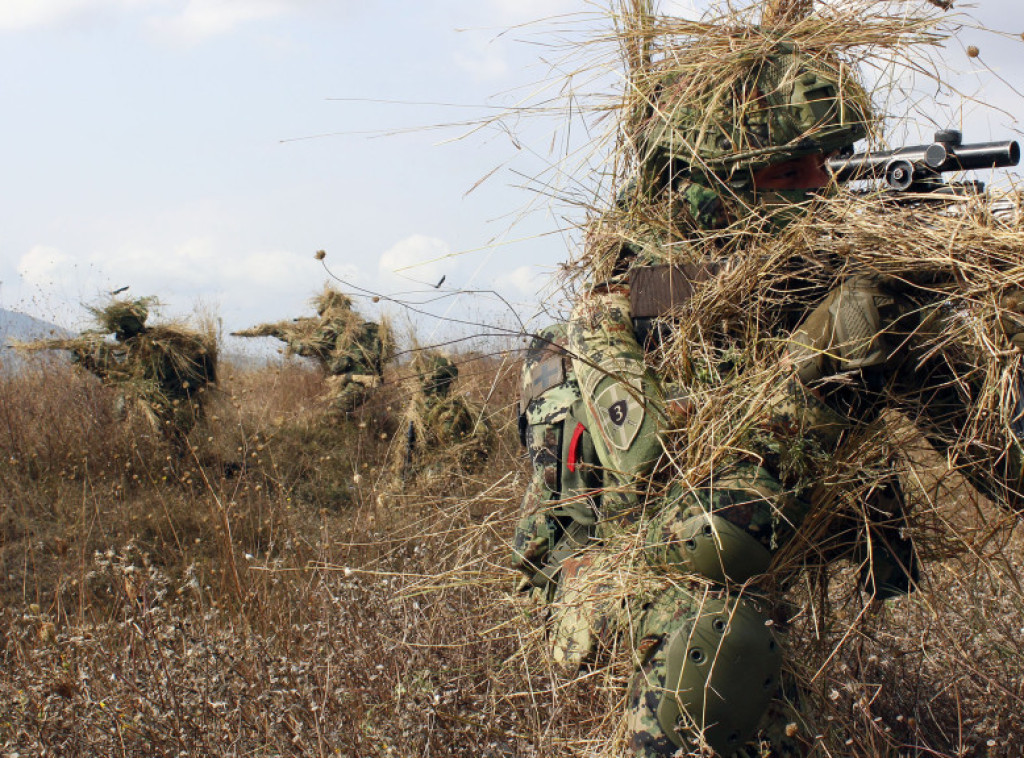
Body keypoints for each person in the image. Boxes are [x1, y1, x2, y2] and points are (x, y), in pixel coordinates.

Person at [515, 16, 1024, 758]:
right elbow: (694, 533)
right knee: (716, 631)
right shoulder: (624, 314)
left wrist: (985, 329)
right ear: (708, 191)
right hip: (611, 572)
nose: (819, 193)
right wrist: (821, 358)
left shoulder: (837, 288)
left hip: (746, 553)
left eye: (829, 168)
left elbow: (1004, 463)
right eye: (788, 176)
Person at [18, 296, 217, 443]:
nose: (118, 339)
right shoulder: (147, 346)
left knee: (171, 442)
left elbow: (126, 379)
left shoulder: (158, 347)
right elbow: (121, 379)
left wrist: (93, 364)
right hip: (172, 404)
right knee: (166, 441)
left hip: (179, 402)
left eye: (121, 334)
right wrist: (89, 363)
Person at [233, 286, 391, 414]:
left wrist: (279, 333)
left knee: (331, 417)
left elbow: (305, 349)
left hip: (356, 384)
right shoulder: (365, 327)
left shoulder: (334, 327)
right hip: (371, 383)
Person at [399, 352, 492, 477]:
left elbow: (471, 449)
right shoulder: (417, 413)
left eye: (435, 384)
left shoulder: (455, 411)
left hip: (455, 471)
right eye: (427, 385)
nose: (431, 391)